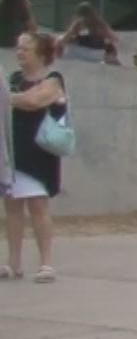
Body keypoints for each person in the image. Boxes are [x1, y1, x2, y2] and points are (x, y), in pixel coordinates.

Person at [5, 31, 66, 283]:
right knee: (12, 207)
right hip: (14, 151)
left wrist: (7, 98)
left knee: (38, 205)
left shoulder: (53, 79)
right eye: (18, 48)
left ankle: (46, 263)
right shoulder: (14, 79)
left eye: (26, 48)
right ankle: (13, 263)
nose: (20, 53)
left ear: (41, 52)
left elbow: (34, 101)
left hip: (40, 152)